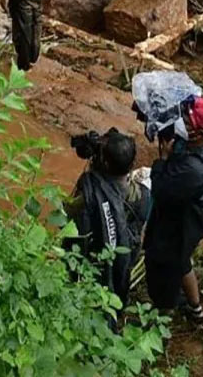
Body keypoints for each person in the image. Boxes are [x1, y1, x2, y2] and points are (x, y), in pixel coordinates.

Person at [143, 95, 203, 329]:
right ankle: (196, 310)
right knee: (183, 263)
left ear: (198, 134)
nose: (182, 125)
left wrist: (162, 160)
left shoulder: (193, 170)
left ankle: (161, 322)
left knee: (163, 274)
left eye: (187, 123)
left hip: (177, 229)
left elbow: (160, 189)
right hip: (193, 222)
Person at [64, 128, 151, 306]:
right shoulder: (143, 194)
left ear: (103, 162)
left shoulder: (89, 196)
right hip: (124, 259)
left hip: (93, 263)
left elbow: (65, 220)